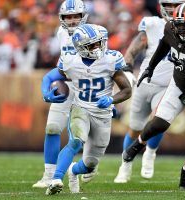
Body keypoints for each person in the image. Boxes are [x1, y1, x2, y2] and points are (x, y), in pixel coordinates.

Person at [122, 2, 185, 190]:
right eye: (179, 25)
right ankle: (138, 145)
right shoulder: (171, 27)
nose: (182, 29)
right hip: (179, 85)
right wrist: (150, 68)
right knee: (160, 121)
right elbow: (163, 45)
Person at [42, 23, 132, 195]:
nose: (98, 47)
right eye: (92, 44)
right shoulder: (70, 61)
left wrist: (111, 99)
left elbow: (127, 90)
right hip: (81, 108)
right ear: (80, 47)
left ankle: (73, 171)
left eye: (99, 42)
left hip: (102, 114)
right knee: (76, 141)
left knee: (90, 164)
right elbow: (49, 76)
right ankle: (56, 179)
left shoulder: (111, 60)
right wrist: (46, 93)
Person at [114, 0, 185, 183]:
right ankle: (125, 164)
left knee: (158, 120)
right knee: (134, 129)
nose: (170, 8)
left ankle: (150, 154)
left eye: (175, 5)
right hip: (144, 84)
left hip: (167, 86)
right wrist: (128, 65)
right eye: (168, 4)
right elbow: (135, 47)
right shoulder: (153, 24)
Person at [32, 0, 88, 188]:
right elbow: (62, 63)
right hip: (66, 83)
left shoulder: (93, 33)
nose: (71, 21)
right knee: (52, 127)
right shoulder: (61, 32)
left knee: (80, 137)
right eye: (68, 17)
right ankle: (49, 175)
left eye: (75, 16)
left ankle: (83, 167)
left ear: (83, 16)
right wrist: (47, 90)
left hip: (86, 87)